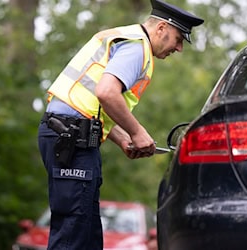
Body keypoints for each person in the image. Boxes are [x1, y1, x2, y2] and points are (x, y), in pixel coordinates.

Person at [38, 0, 204, 249]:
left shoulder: (126, 38)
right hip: (71, 138)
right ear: (161, 28)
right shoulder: (137, 47)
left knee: (88, 235)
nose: (179, 48)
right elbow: (106, 92)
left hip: (73, 135)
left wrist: (122, 137)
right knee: (73, 236)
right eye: (178, 39)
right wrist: (137, 132)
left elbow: (92, 105)